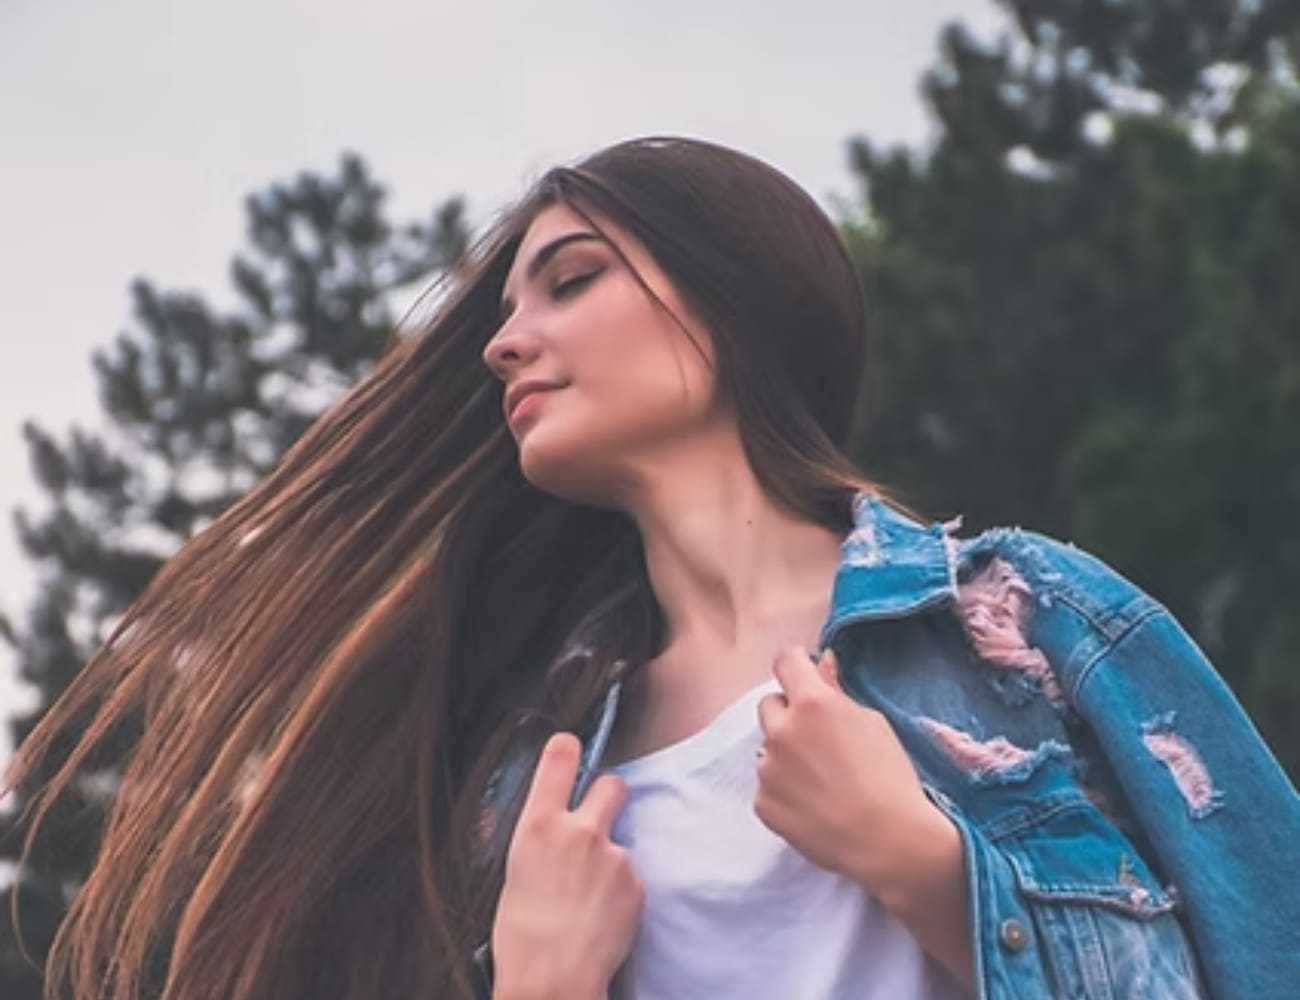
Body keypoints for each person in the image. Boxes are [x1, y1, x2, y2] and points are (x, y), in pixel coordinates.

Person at [4, 135, 1297, 1000]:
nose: (508, 343)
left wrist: (919, 863)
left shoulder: (1028, 627)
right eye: (506, 310)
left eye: (570, 281)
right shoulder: (524, 785)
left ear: (730, 308)